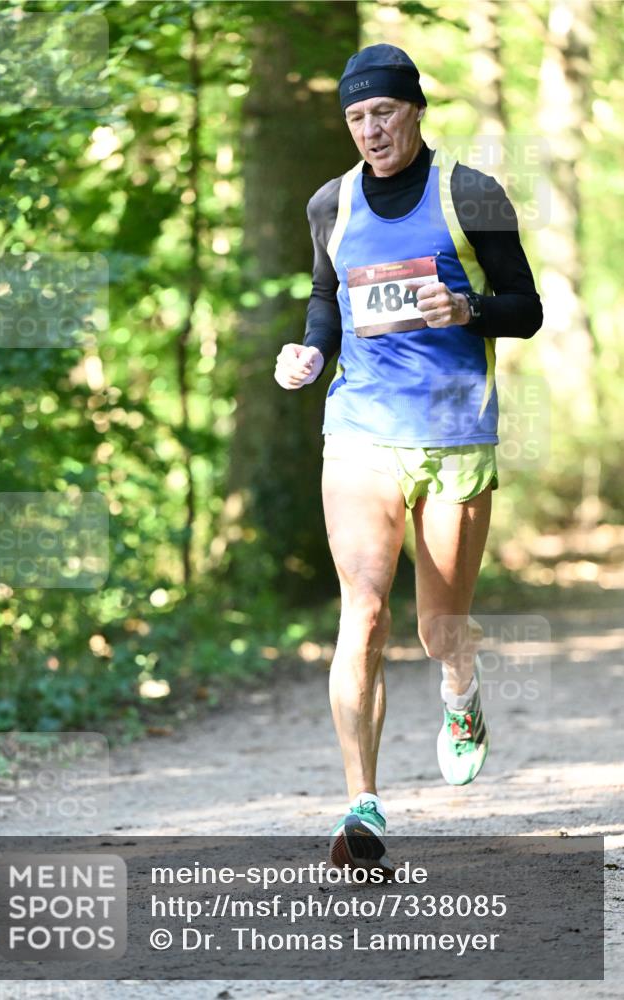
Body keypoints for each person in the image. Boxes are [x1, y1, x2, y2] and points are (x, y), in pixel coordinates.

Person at [274, 44, 542, 875]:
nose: (370, 130)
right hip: (358, 428)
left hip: (455, 433)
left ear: (413, 109)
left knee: (436, 630)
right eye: (355, 118)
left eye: (382, 113)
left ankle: (459, 694)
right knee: (363, 610)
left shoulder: (469, 192)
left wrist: (465, 307)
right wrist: (310, 357)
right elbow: (328, 299)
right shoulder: (332, 204)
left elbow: (525, 311)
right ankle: (361, 803)